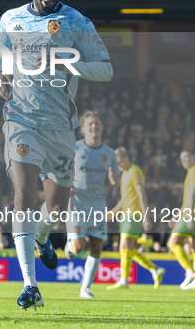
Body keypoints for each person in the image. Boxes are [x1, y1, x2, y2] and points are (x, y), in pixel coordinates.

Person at [0, 0, 113, 310]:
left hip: (61, 127)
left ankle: (44, 238)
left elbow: (106, 69)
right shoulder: (11, 19)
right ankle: (31, 285)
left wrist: (70, 64)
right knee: (23, 194)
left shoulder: (77, 22)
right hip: (21, 121)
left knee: (56, 209)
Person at [62, 111, 120, 298]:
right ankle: (69, 248)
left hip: (98, 205)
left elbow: (116, 181)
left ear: (102, 127)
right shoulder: (74, 148)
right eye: (90, 124)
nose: (94, 126)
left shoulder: (109, 153)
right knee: (79, 247)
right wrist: (66, 186)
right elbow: (60, 170)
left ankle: (85, 288)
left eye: (96, 123)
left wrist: (113, 180)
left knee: (96, 246)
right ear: (83, 129)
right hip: (77, 203)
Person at [107, 147, 165, 290]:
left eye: (119, 162)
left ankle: (124, 280)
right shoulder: (126, 173)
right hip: (126, 215)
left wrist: (146, 217)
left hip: (134, 214)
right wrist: (113, 212)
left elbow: (142, 195)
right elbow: (126, 198)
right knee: (127, 248)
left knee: (125, 244)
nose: (118, 165)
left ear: (126, 158)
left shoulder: (135, 171)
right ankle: (154, 269)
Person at [167, 150, 195, 290]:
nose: (184, 160)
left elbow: (194, 193)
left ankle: (189, 271)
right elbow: (189, 199)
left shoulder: (194, 171)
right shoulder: (194, 172)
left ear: (193, 157)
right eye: (181, 158)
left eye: (186, 157)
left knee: (172, 243)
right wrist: (177, 215)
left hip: (194, 214)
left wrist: (188, 216)